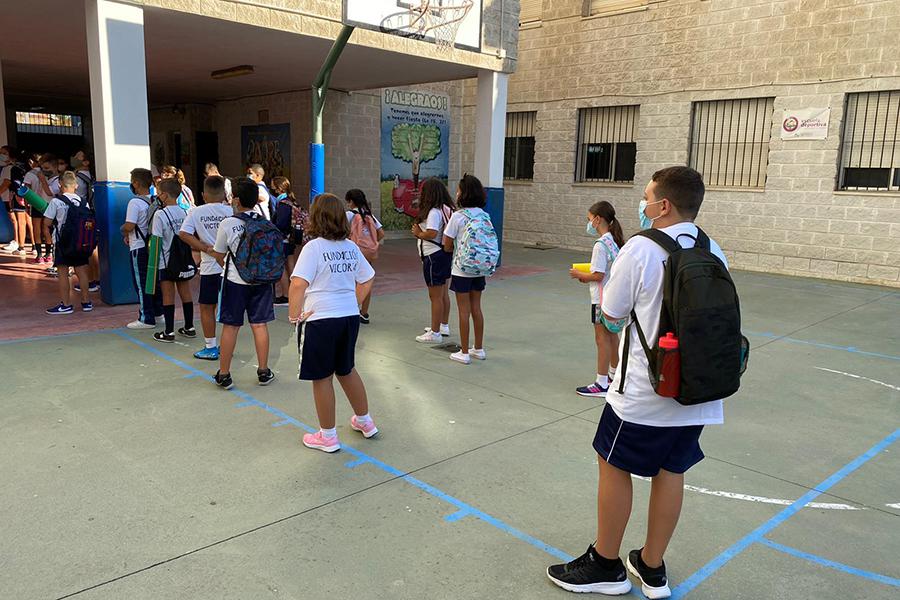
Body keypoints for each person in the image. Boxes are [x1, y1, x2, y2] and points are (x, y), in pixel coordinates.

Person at [547, 167, 727, 599]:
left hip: (645, 391)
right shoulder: (712, 248)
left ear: (662, 204)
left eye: (646, 197)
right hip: (699, 387)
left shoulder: (641, 249)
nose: (642, 205)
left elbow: (611, 315)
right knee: (672, 470)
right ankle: (652, 566)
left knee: (613, 463)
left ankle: (605, 563)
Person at [288, 193, 377, 453]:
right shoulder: (350, 247)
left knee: (322, 377)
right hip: (348, 316)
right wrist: (355, 301)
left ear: (316, 218)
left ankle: (327, 436)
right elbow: (368, 278)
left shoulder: (313, 248)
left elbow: (297, 283)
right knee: (346, 369)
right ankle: (365, 421)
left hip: (320, 318)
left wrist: (294, 316)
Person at [209, 178, 277, 389]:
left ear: (236, 200)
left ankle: (224, 374)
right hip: (262, 281)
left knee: (231, 326)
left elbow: (219, 254)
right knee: (259, 325)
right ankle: (264, 372)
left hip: (235, 282)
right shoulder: (265, 221)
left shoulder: (228, 223)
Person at [570, 201, 624, 398]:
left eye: (589, 219)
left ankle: (601, 382)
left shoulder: (600, 245)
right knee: (612, 337)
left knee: (601, 339)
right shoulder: (614, 241)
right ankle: (614, 375)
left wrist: (579, 274)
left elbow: (598, 275)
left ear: (597, 219)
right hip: (612, 297)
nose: (589, 223)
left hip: (601, 299)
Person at [179, 175, 233, 359]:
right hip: (230, 268)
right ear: (225, 194)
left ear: (203, 195)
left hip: (210, 268)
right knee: (227, 308)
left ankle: (211, 347)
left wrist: (205, 247)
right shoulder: (231, 210)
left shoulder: (196, 212)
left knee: (206, 307)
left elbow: (184, 233)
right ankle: (227, 346)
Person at [442, 174, 490, 365]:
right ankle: (478, 348)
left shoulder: (458, 216)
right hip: (479, 268)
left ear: (463, 193)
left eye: (459, 189)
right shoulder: (484, 215)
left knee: (463, 310)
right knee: (476, 307)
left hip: (462, 269)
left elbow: (447, 244)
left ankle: (463, 352)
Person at [148, 178, 197, 343]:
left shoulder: (160, 215)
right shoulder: (185, 212)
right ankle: (189, 327)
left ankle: (169, 331)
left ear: (164, 195)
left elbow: (156, 241)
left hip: (166, 260)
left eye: (159, 193)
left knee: (168, 295)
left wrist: (151, 272)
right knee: (185, 291)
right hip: (183, 259)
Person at [43, 171, 93, 314]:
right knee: (82, 272)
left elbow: (47, 222)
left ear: (60, 185)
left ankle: (66, 304)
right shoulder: (83, 202)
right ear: (76, 185)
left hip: (62, 243)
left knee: (63, 273)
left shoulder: (56, 202)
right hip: (81, 242)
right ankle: (86, 302)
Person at [411, 177, 454, 342]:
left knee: (435, 296)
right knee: (443, 294)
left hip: (433, 256)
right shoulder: (444, 210)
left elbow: (432, 233)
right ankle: (442, 325)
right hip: (442, 255)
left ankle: (435, 333)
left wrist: (418, 233)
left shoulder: (433, 212)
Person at [121, 168, 162, 329]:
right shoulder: (154, 200)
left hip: (138, 247)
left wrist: (123, 231)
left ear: (136, 183)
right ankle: (158, 313)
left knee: (141, 282)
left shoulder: (134, 202)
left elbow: (130, 225)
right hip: (153, 246)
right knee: (154, 281)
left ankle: (146, 318)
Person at [345, 189, 384, 324]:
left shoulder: (349, 215)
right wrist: (372, 243)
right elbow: (381, 233)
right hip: (368, 254)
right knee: (366, 281)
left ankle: (352, 310)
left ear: (351, 201)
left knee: (352, 283)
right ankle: (364, 313)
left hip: (354, 253)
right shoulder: (370, 215)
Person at [272, 176, 308, 306]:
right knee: (291, 267)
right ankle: (295, 293)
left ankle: (286, 295)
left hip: (282, 239)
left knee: (280, 268)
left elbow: (281, 223)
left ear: (278, 187)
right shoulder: (292, 201)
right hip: (292, 239)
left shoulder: (282, 204)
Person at [70, 150, 100, 292]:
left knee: (86, 248)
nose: (75, 158)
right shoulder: (92, 176)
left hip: (80, 215)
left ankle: (90, 280)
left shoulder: (77, 178)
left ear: (86, 162)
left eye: (78, 157)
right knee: (93, 248)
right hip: (91, 214)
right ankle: (97, 279)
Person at [23, 153, 55, 263]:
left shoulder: (30, 174)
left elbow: (26, 189)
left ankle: (39, 255)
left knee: (36, 228)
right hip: (48, 204)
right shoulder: (50, 174)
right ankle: (49, 254)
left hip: (36, 203)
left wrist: (27, 203)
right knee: (47, 229)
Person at [1, 147, 29, 256]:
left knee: (18, 220)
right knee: (25, 220)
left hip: (15, 196)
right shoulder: (23, 167)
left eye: (4, 153)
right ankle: (31, 246)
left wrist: (17, 194)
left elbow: (11, 183)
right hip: (21, 196)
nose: (2, 155)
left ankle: (20, 245)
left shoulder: (13, 168)